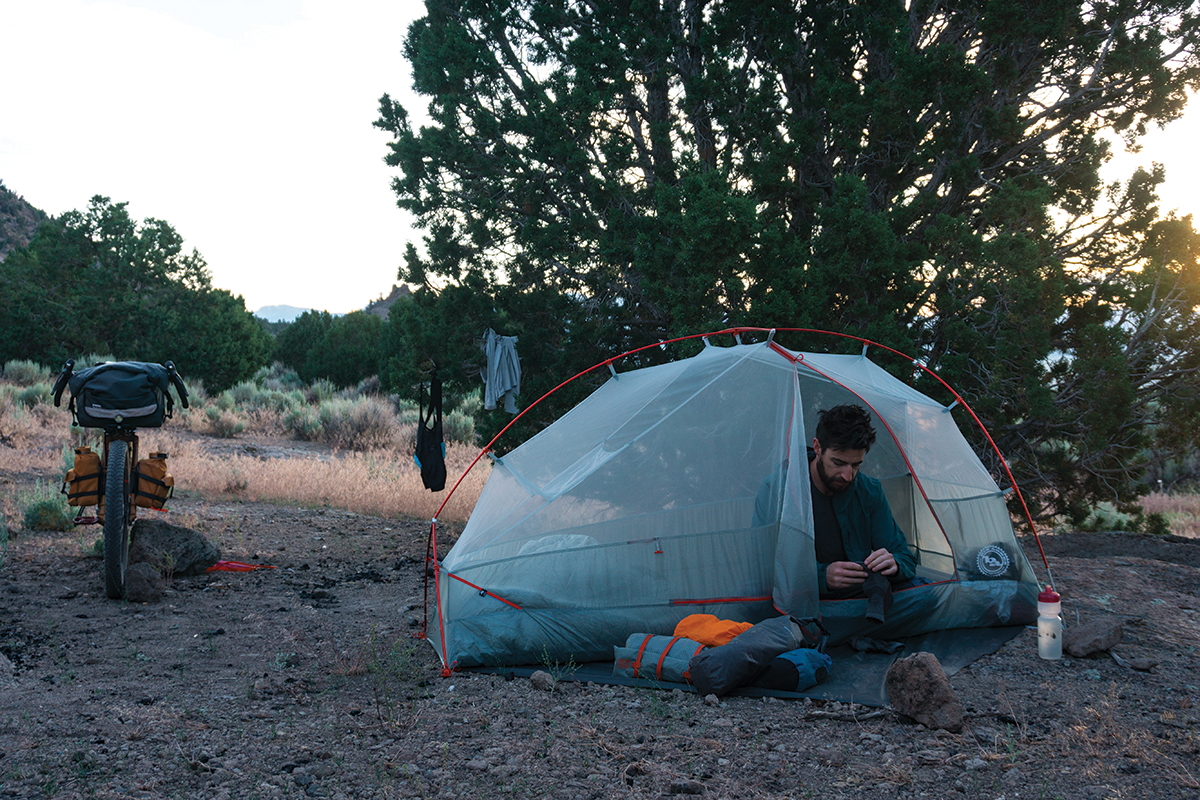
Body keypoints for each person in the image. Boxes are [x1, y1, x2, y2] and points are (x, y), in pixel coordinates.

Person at [808, 405, 917, 612]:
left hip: (861, 597)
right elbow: (764, 570)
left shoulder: (870, 491)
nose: (848, 476)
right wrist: (822, 576)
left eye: (856, 465)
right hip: (806, 599)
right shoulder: (782, 490)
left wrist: (894, 564)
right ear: (817, 448)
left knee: (928, 595)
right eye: (838, 463)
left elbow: (906, 558)